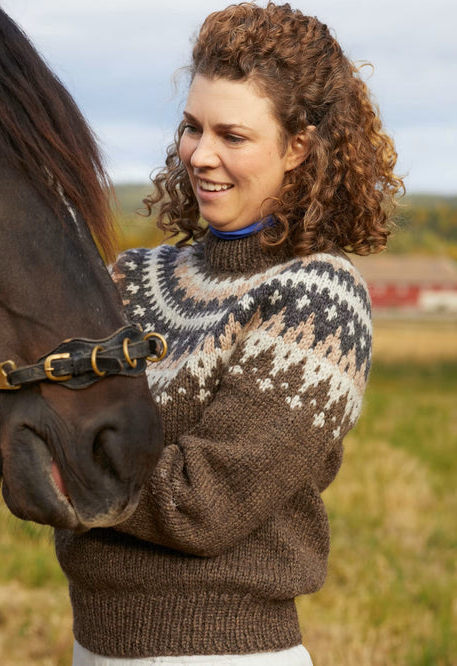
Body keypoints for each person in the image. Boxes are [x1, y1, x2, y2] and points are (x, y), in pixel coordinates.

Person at [56, 3, 404, 664]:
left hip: (221, 653)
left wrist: (56, 462)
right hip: (94, 645)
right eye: (191, 128)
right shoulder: (131, 277)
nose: (199, 154)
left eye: (232, 136)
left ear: (298, 147)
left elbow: (202, 504)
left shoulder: (317, 299)